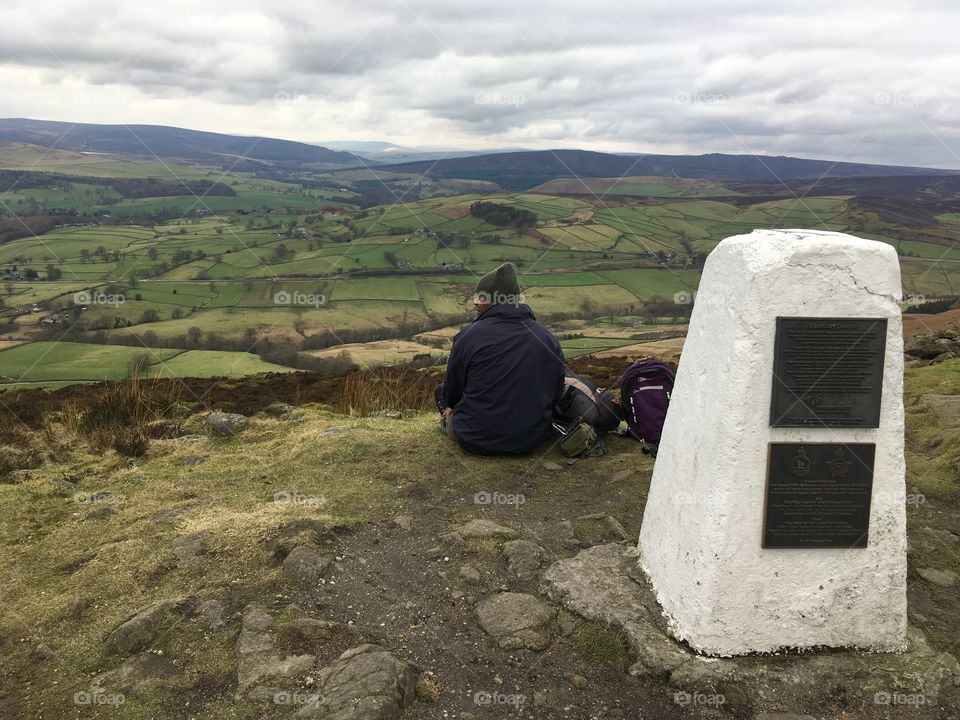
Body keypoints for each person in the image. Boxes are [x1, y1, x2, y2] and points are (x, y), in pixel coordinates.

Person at [435, 262, 565, 455]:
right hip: (529, 440)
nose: (475, 303)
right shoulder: (547, 338)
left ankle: (448, 419)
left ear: (497, 299)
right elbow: (555, 393)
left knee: (440, 392)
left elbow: (452, 396)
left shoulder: (468, 337)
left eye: (481, 297)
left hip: (474, 439)